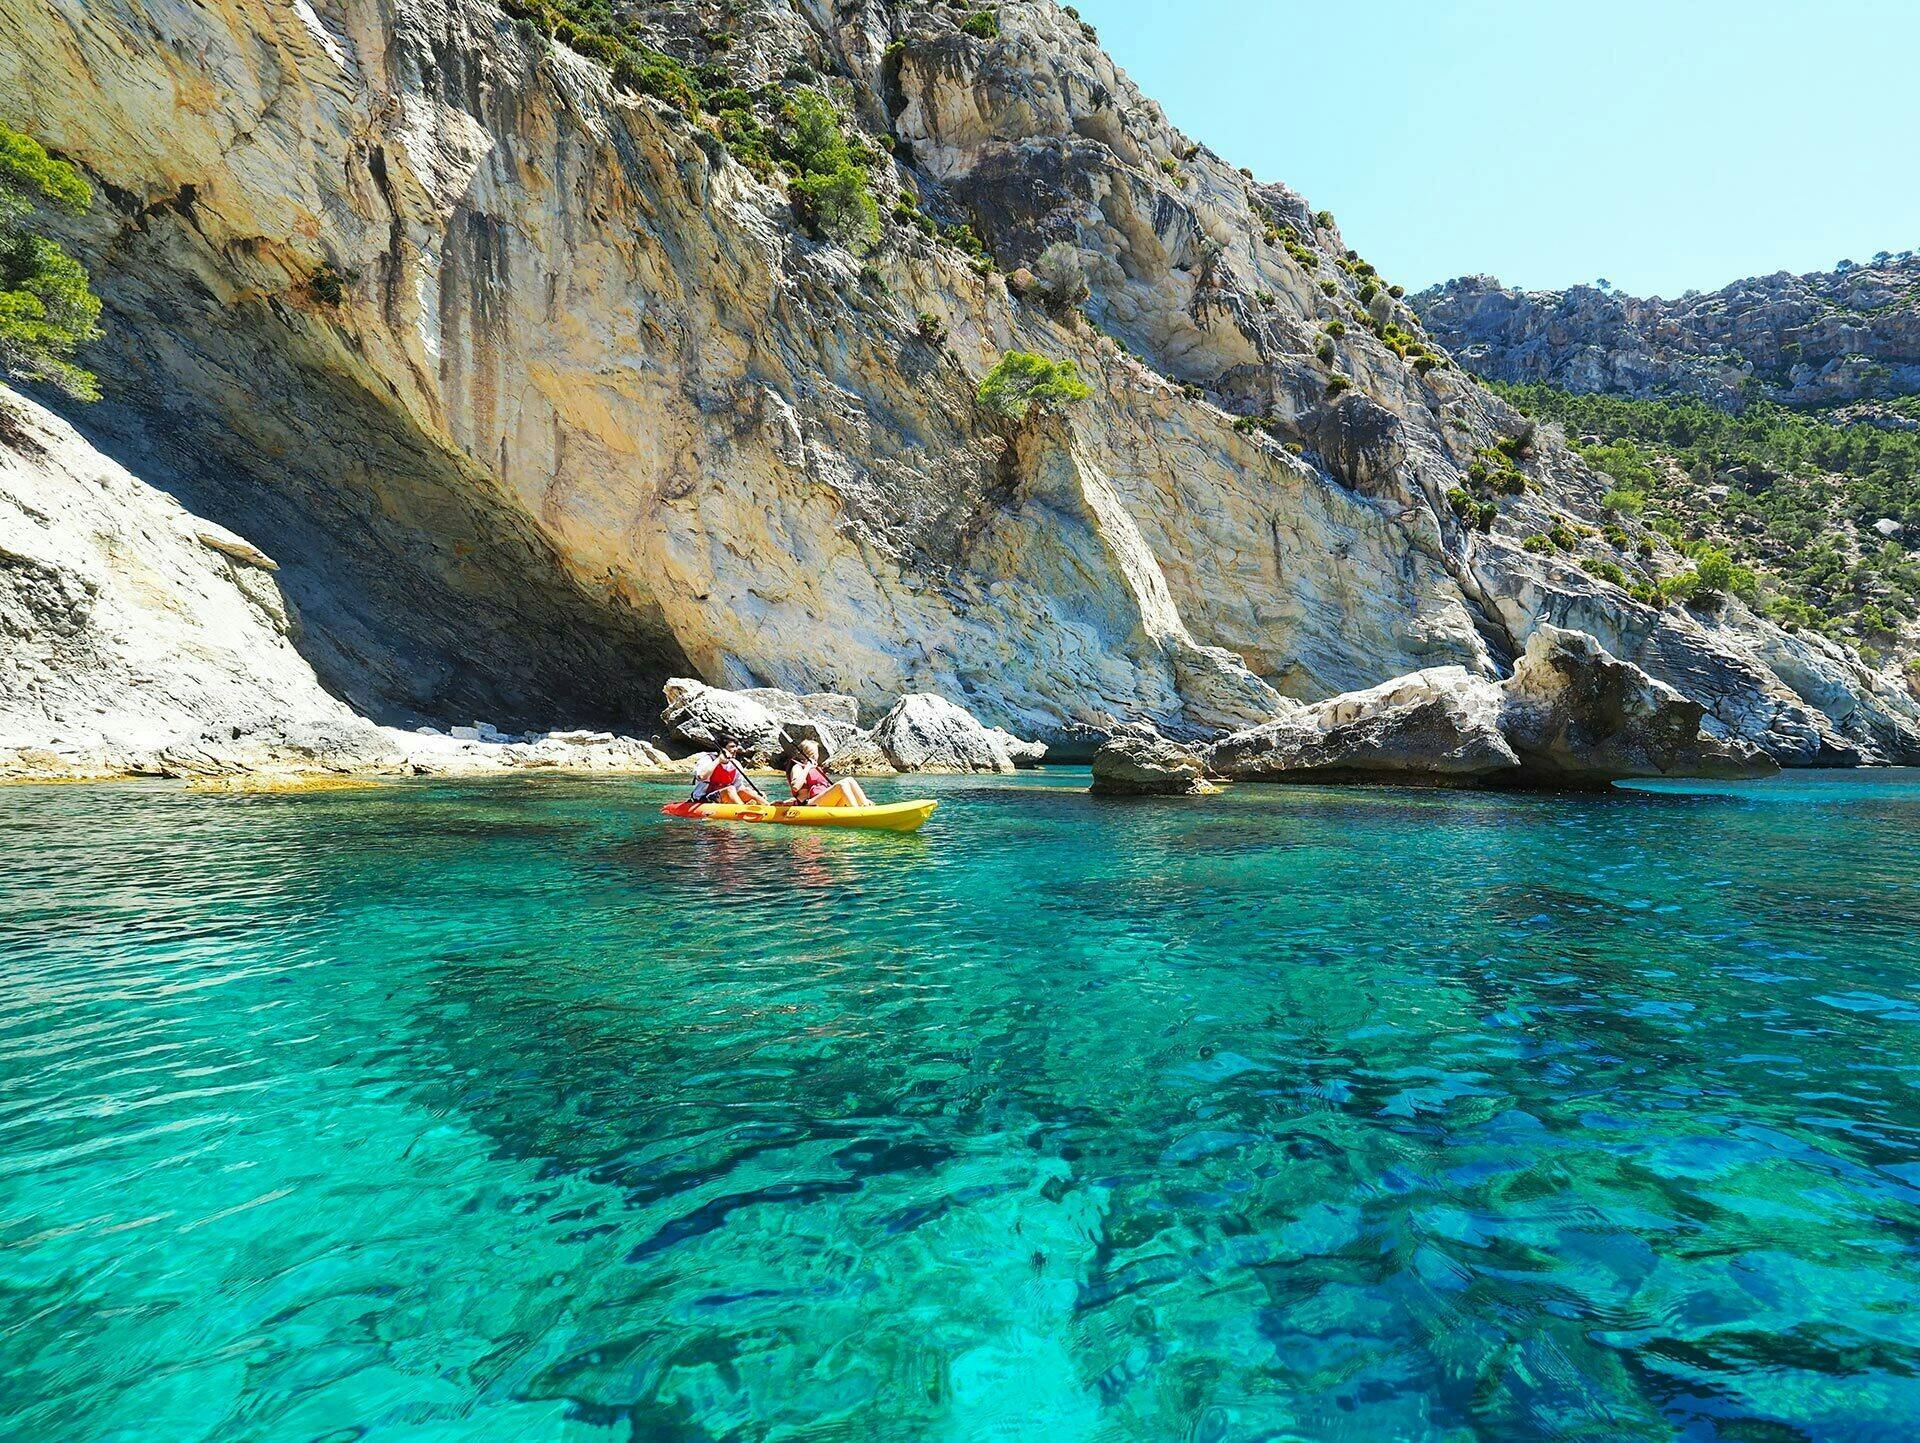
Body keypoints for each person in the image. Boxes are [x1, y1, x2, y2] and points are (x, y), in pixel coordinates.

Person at [785, 738, 873, 808]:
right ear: (810, 753)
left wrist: (858, 798)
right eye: (816, 752)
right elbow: (795, 787)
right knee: (841, 785)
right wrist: (807, 767)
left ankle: (864, 805)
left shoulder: (814, 767)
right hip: (808, 803)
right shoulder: (798, 767)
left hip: (822, 800)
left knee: (849, 780)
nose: (817, 755)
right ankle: (857, 813)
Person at [691, 739, 767, 806]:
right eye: (732, 746)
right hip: (703, 798)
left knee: (746, 790)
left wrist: (755, 794)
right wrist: (719, 760)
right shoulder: (707, 760)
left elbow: (738, 787)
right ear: (722, 749)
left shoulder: (736, 764)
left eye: (736, 746)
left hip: (724, 797)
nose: (735, 749)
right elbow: (701, 777)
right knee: (730, 789)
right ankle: (743, 810)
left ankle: (767, 806)